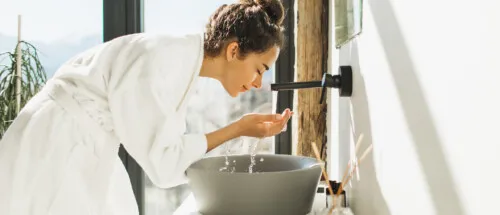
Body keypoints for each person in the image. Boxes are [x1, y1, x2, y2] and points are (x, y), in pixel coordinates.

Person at [0, 0, 292, 214]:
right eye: (260, 68)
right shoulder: (164, 60)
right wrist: (238, 128)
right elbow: (164, 165)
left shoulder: (182, 62)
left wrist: (239, 128)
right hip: (57, 142)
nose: (258, 83)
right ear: (233, 51)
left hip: (84, 141)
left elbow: (169, 153)